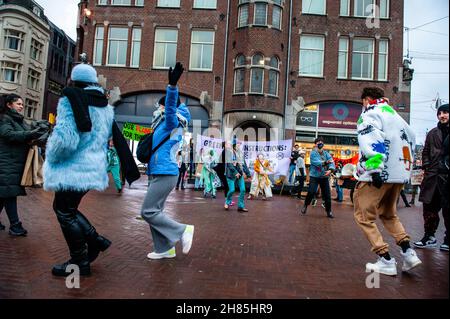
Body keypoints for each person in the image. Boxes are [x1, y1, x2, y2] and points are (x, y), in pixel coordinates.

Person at [44, 63, 114, 276]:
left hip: (72, 168)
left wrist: (51, 156)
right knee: (67, 209)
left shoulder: (71, 100)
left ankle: (80, 260)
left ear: (74, 80)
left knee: (64, 211)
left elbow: (65, 140)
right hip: (93, 168)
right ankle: (96, 240)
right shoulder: (105, 106)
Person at [353, 87, 421, 276]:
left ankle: (385, 259)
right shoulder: (397, 117)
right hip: (398, 174)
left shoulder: (369, 114)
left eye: (362, 102)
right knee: (389, 214)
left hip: (378, 174)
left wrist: (374, 168)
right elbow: (412, 139)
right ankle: (408, 253)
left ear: (366, 99)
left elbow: (371, 138)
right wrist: (405, 170)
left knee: (363, 216)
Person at [140, 62, 195, 260]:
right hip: (158, 171)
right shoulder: (162, 122)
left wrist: (172, 87)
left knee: (147, 211)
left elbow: (171, 108)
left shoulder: (172, 120)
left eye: (159, 105)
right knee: (156, 212)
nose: (157, 107)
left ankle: (182, 230)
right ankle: (164, 248)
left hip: (165, 172)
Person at [0, 94, 43, 235]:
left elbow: (27, 134)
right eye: (18, 104)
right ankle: (15, 225)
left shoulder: (19, 120)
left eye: (22, 104)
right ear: (9, 105)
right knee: (9, 193)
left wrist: (39, 131)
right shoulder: (4, 119)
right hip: (6, 163)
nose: (21, 106)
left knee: (4, 193)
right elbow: (9, 135)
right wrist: (31, 133)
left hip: (14, 162)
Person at [414, 104, 449, 251]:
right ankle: (429, 236)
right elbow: (426, 151)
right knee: (429, 208)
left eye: (446, 112)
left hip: (447, 178)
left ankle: (448, 239)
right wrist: (427, 166)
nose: (442, 115)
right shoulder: (433, 132)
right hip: (432, 177)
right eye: (440, 113)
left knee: (448, 209)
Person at [300, 137, 335, 218]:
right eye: (318, 142)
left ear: (323, 144)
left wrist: (330, 170)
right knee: (311, 192)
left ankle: (329, 211)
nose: (320, 143)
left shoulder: (327, 154)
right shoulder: (313, 153)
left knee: (327, 195)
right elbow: (316, 162)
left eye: (321, 142)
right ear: (315, 144)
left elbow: (331, 163)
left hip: (324, 177)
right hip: (314, 176)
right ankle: (305, 205)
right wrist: (326, 162)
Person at [224, 139, 251, 212]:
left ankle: (240, 206)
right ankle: (227, 202)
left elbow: (244, 164)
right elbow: (229, 164)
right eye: (238, 144)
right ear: (234, 145)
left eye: (240, 144)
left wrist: (248, 175)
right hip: (231, 174)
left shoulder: (241, 153)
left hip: (240, 174)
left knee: (243, 190)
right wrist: (236, 172)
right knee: (232, 190)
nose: (239, 145)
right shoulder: (229, 153)